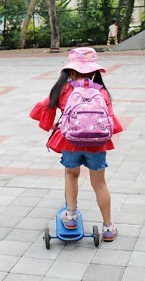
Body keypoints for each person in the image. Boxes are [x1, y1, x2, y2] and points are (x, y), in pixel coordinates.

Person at [29, 47, 123, 242]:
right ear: (95, 71)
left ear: (71, 71)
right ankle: (108, 227)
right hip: (97, 145)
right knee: (99, 183)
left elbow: (45, 106)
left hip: (70, 142)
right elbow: (110, 120)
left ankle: (71, 217)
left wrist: (53, 124)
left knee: (71, 175)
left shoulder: (64, 89)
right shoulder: (102, 91)